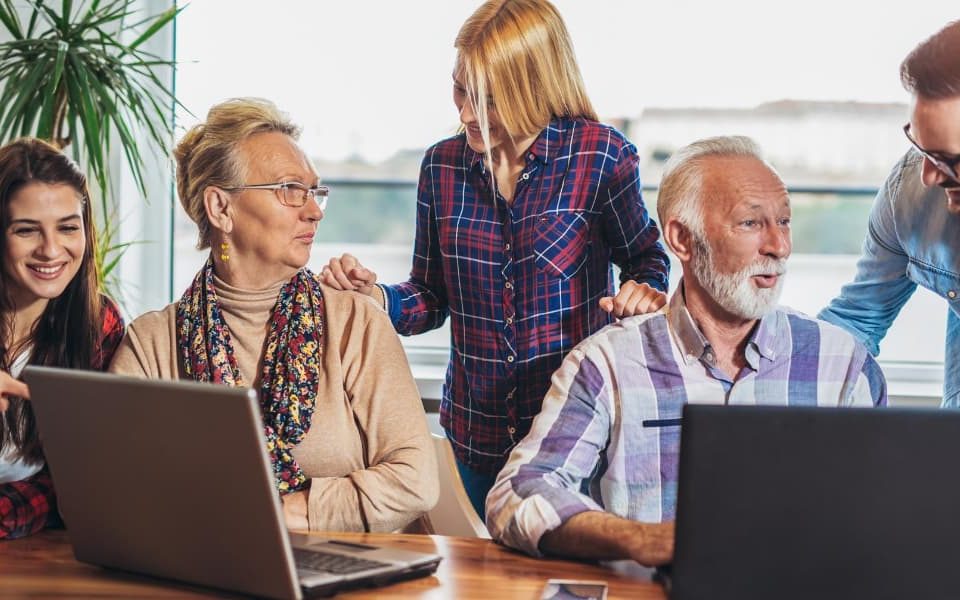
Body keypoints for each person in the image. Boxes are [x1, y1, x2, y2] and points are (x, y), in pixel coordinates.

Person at [320, 0, 670, 519]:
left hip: (572, 438)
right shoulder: (441, 166)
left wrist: (642, 292)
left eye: (488, 98)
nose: (465, 113)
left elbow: (647, 260)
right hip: (473, 438)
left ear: (534, 86)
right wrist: (376, 298)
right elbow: (431, 295)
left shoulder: (601, 158)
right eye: (460, 89)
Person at [486, 136, 887, 566]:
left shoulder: (846, 366)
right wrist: (641, 540)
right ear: (681, 239)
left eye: (784, 222)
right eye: (751, 224)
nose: (779, 246)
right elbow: (517, 491)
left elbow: (888, 518)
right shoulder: (606, 364)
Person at [108, 98, 438, 533]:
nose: (314, 210)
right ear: (220, 208)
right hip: (209, 570)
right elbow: (119, 487)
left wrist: (292, 512)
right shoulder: (151, 345)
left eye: (314, 191)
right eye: (289, 190)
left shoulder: (354, 323)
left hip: (353, 574)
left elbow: (416, 479)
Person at [819, 20, 960, 406]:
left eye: (950, 160)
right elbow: (858, 319)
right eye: (923, 149)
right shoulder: (910, 195)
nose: (929, 176)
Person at [0, 138, 124, 539]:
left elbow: (82, 479)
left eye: (68, 227)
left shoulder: (98, 324)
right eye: (26, 230)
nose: (51, 250)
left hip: (33, 550)